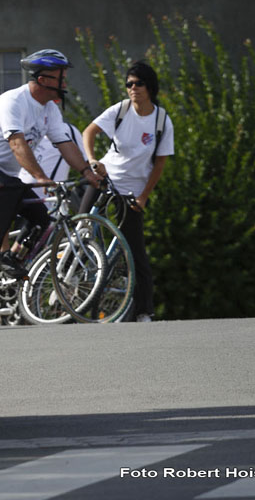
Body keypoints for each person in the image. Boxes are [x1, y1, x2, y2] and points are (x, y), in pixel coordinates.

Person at [0, 49, 101, 274]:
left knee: (41, 217)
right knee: (7, 189)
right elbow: (17, 144)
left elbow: (65, 144)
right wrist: (41, 177)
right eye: (61, 76)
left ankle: (11, 263)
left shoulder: (50, 109)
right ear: (43, 80)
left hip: (5, 176)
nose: (65, 82)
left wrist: (85, 171)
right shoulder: (12, 101)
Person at [80, 60, 174, 322]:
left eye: (138, 83)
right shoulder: (120, 110)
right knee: (80, 227)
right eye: (129, 84)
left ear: (150, 87)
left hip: (132, 191)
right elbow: (89, 131)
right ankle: (68, 281)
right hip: (105, 179)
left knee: (135, 250)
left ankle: (144, 310)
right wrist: (92, 160)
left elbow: (160, 163)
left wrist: (144, 196)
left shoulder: (162, 121)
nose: (133, 88)